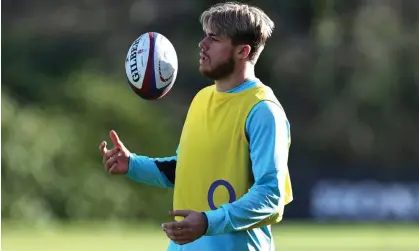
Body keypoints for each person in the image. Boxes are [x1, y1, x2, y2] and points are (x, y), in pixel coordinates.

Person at [99, 2, 293, 251]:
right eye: (205, 36)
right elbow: (185, 169)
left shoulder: (263, 111)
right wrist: (133, 165)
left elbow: (271, 197)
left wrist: (207, 221)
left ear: (242, 51)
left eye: (214, 38)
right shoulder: (201, 99)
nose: (202, 44)